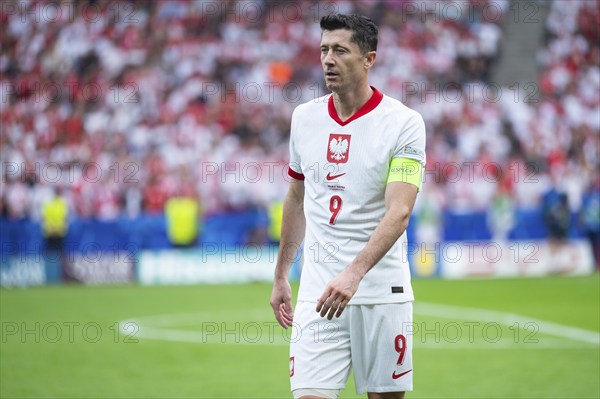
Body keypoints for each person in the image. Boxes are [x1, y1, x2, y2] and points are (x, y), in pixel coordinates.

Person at [270, 14, 426, 399]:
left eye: (340, 50)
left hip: (379, 292)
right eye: (324, 49)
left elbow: (400, 211)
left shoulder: (404, 123)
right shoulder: (304, 118)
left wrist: (354, 273)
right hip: (317, 294)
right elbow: (296, 196)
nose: (328, 59)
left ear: (369, 58)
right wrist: (280, 275)